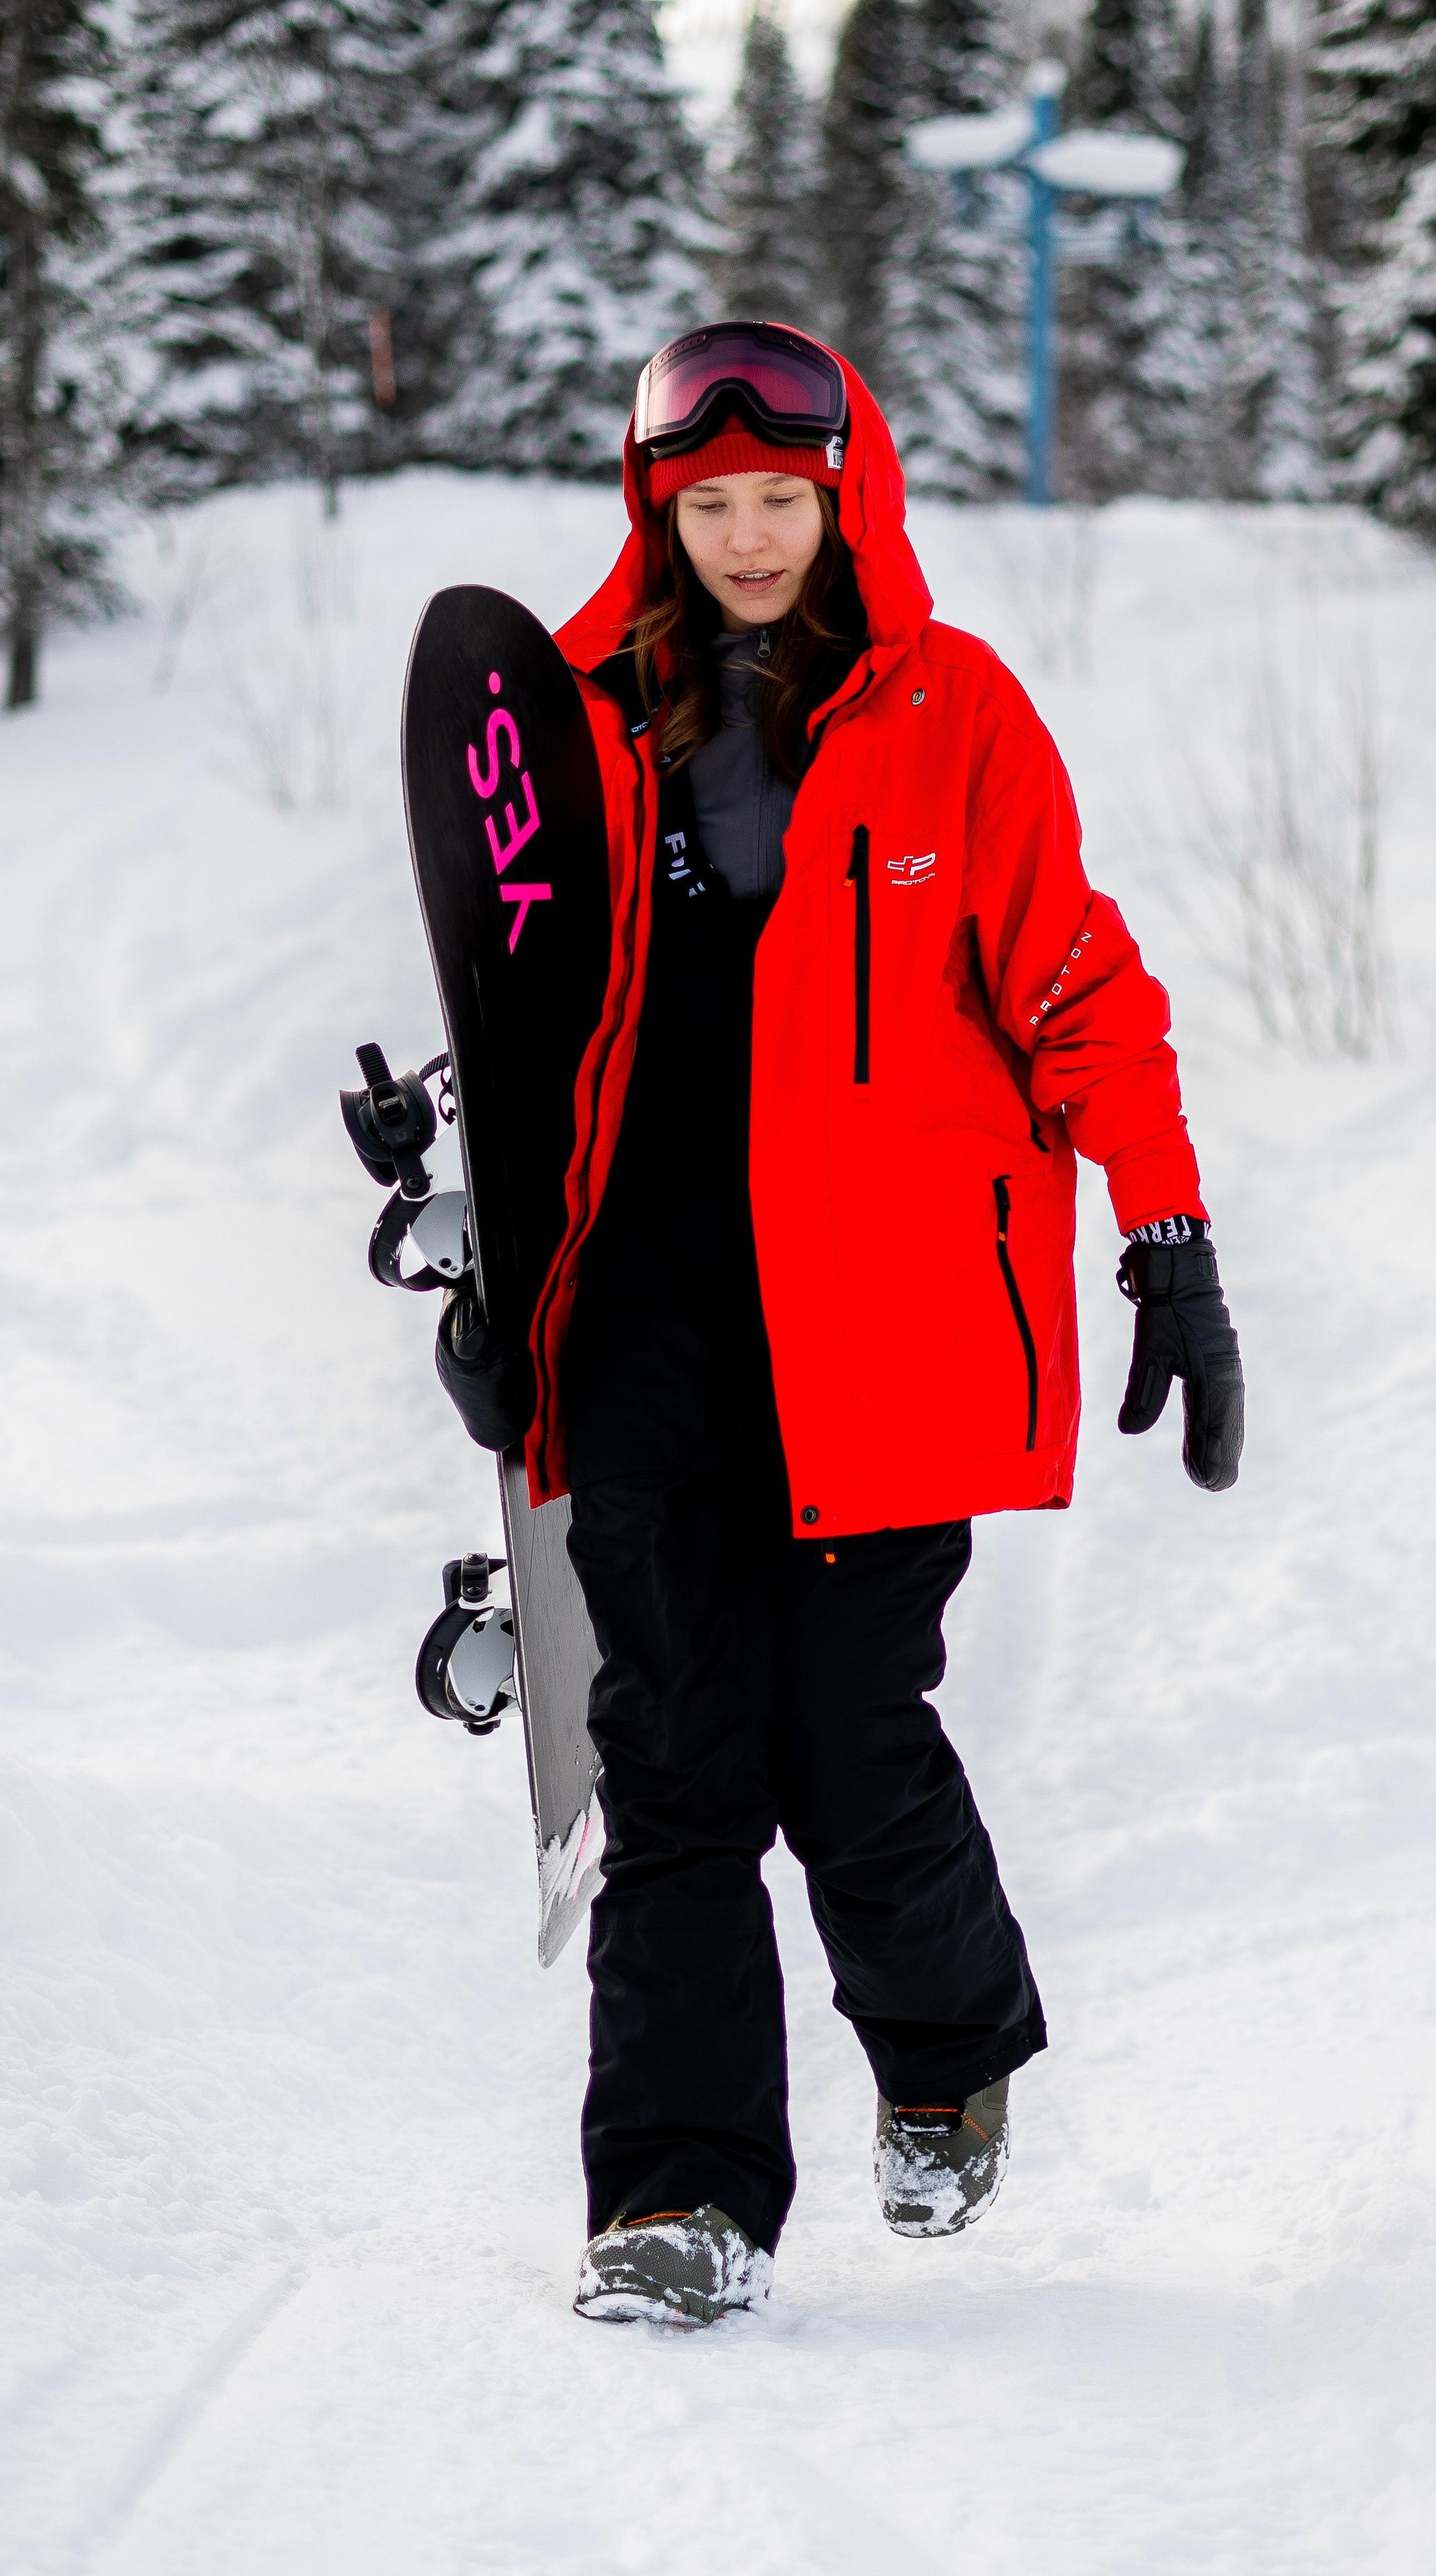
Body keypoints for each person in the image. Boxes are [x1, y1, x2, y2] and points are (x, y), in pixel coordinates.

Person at [510, 323, 1243, 2328]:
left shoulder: (951, 712)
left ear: (848, 493)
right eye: (707, 501)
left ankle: (946, 2060)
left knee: (848, 1735)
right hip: (657, 1320)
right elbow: (525, 1033)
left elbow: (1081, 983)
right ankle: (677, 2202)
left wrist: (1165, 1225)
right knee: (673, 1766)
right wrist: (505, 1288)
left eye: (779, 497)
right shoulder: (580, 722)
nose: (746, 534)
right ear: (659, 509)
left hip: (884, 1329)